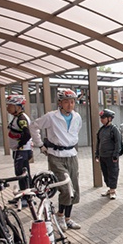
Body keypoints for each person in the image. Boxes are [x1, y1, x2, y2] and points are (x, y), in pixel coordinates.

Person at [31, 88, 83, 230]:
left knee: (74, 189)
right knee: (66, 188)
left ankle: (68, 218)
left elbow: (76, 131)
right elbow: (34, 126)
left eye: (72, 102)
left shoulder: (77, 117)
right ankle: (60, 216)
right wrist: (40, 145)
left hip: (72, 155)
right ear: (60, 103)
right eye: (66, 102)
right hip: (56, 156)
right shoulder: (51, 116)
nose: (70, 105)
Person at [5, 95, 33, 207]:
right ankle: (23, 196)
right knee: (23, 173)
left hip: (22, 151)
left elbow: (27, 134)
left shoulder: (22, 119)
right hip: (20, 151)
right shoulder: (18, 117)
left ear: (18, 106)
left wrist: (19, 145)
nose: (8, 108)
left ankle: (26, 198)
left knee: (21, 174)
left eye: (10, 106)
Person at [95, 109, 122, 200]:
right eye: (101, 118)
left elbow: (118, 143)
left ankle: (113, 190)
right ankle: (109, 189)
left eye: (103, 118)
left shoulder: (114, 129)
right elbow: (98, 143)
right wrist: (97, 154)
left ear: (109, 118)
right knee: (105, 173)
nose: (101, 119)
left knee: (113, 173)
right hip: (103, 156)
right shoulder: (101, 130)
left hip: (111, 156)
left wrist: (115, 155)